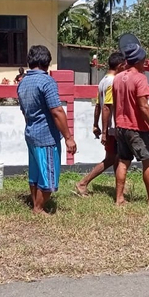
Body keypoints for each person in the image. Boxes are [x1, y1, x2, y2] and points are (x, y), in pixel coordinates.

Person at [17, 45, 77, 214]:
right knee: (49, 175)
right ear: (47, 61)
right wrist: (68, 137)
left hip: (31, 133)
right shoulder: (47, 81)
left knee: (35, 172)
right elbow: (57, 111)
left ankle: (35, 202)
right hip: (46, 136)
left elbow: (24, 111)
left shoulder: (23, 83)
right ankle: (38, 208)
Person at [112, 42, 149, 205]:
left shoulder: (118, 78)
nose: (146, 63)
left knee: (123, 161)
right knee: (148, 162)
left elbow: (115, 103)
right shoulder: (140, 78)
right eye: (144, 60)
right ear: (139, 61)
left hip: (121, 126)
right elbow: (143, 106)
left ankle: (119, 198)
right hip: (137, 128)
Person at [75, 52, 126, 196]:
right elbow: (106, 107)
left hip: (109, 128)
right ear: (120, 65)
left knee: (117, 157)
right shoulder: (113, 82)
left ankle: (120, 188)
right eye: (125, 66)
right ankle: (83, 183)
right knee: (111, 158)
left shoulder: (103, 80)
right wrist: (104, 131)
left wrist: (95, 124)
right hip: (112, 128)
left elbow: (98, 105)